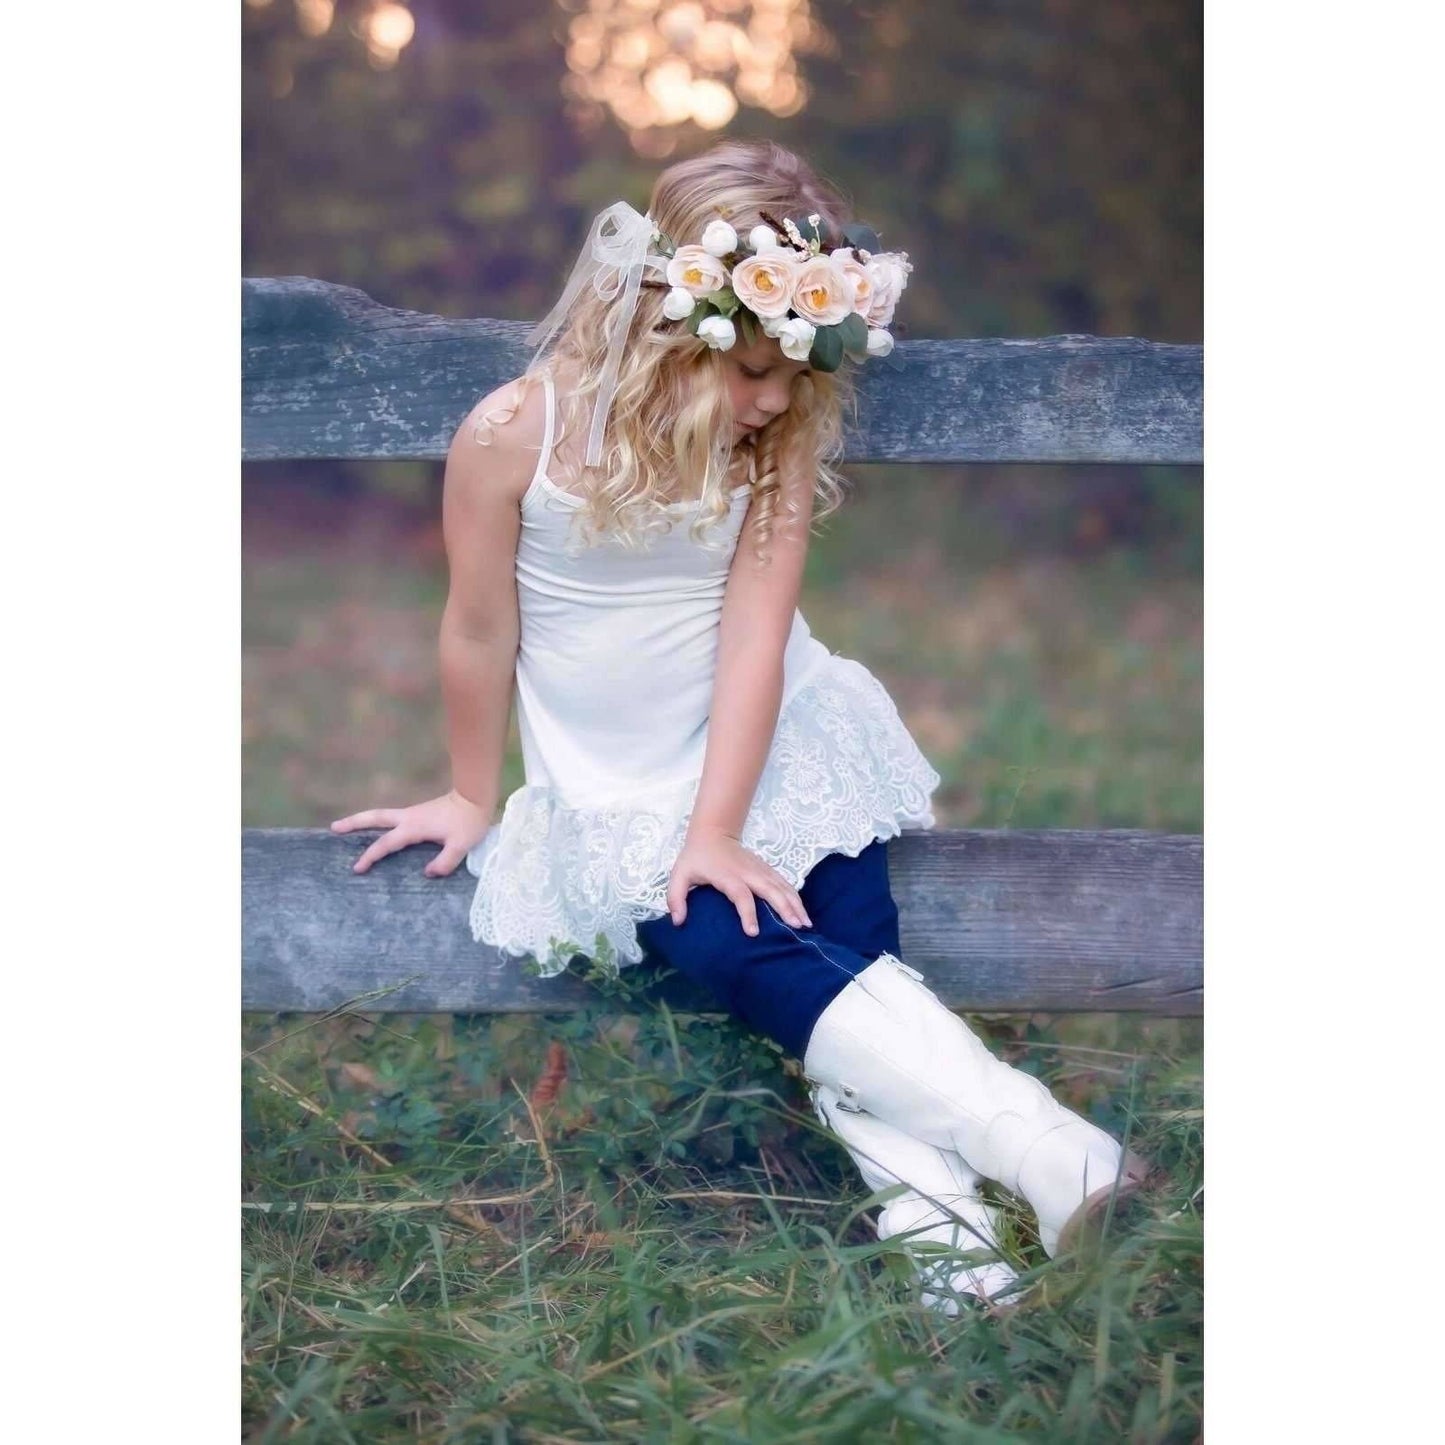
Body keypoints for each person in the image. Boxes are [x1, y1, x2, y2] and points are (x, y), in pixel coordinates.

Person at [331, 140, 1146, 1312]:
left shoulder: (778, 432)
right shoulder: (516, 429)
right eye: (753, 369)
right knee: (735, 944)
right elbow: (474, 629)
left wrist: (718, 824)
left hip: (772, 736)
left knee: (833, 945)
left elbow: (756, 634)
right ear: (668, 324)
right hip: (618, 781)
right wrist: (470, 790)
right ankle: (1061, 1158)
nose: (770, 401)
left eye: (795, 377)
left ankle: (959, 1259)